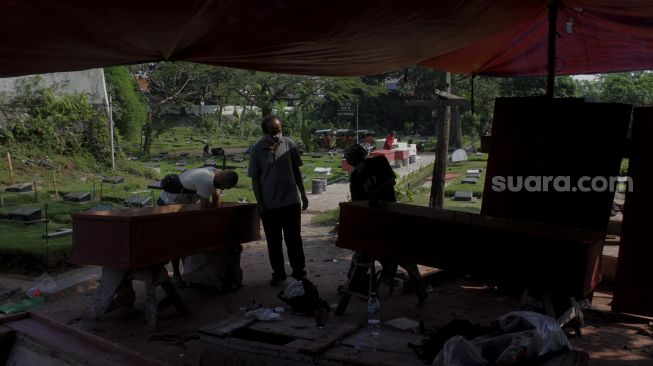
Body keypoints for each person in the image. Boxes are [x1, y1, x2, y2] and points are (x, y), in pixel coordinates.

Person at [248, 115, 309, 286]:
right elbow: (255, 180)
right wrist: (261, 205)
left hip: (291, 202)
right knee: (274, 242)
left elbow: (296, 171)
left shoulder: (289, 144)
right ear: (265, 132)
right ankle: (279, 273)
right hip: (270, 205)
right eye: (273, 131)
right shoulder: (256, 150)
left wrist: (303, 194)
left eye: (279, 130)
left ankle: (299, 272)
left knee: (294, 240)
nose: (277, 134)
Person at [158, 167, 239, 288]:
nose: (222, 189)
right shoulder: (206, 180)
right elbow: (204, 210)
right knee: (176, 240)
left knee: (186, 240)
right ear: (223, 179)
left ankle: (189, 273)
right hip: (170, 204)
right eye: (224, 186)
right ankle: (176, 274)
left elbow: (216, 200)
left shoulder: (215, 175)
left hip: (184, 205)